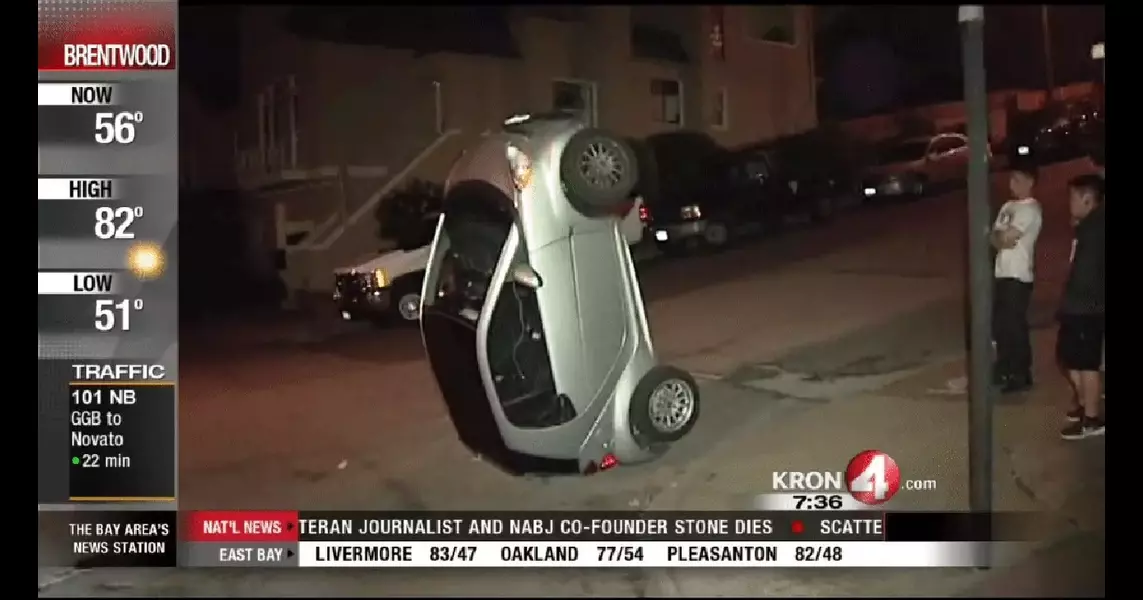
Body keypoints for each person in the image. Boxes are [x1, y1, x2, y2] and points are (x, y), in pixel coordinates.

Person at [1058, 174, 1105, 440]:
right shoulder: (1089, 225)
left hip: (1087, 306)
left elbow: (1086, 272)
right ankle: (1085, 404)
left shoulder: (1094, 228)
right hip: (1080, 305)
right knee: (1069, 358)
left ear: (1088, 199)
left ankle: (1092, 417)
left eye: (1074, 197)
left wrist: (1074, 299)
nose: (1070, 203)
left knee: (1086, 364)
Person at [990, 165, 1043, 394]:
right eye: (1011, 179)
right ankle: (1005, 367)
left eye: (1018, 179)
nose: (1013, 184)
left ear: (1030, 182)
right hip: (1002, 272)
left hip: (1018, 274)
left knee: (1014, 326)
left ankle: (1020, 371)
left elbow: (1007, 238)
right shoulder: (1007, 207)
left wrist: (1000, 237)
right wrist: (1000, 237)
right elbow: (995, 238)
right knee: (1001, 325)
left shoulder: (1030, 210)